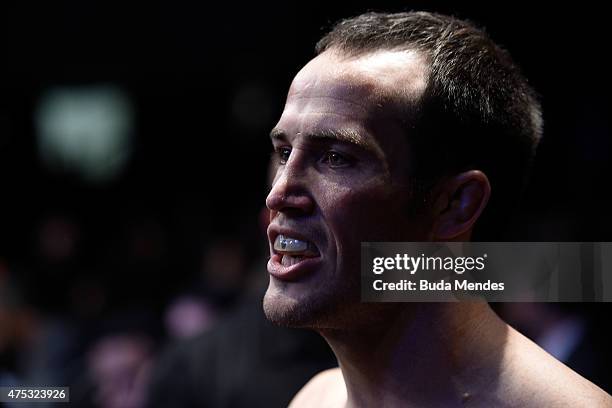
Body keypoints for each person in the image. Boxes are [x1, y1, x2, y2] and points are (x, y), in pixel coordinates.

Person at [263, 11, 612, 407]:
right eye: (284, 152)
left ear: (455, 205)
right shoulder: (313, 399)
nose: (278, 194)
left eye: (337, 158)